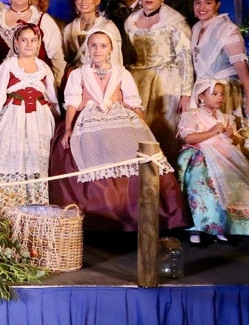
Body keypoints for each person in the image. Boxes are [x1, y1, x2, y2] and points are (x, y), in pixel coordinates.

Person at [51, 31, 187, 231]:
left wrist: (145, 130)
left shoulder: (121, 72)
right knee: (91, 151)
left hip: (119, 117)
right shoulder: (79, 73)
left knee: (134, 153)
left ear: (111, 49)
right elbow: (71, 102)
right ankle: (104, 211)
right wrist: (69, 128)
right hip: (89, 119)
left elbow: (133, 102)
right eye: (94, 45)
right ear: (88, 48)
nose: (98, 50)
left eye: (103, 46)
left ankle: (138, 212)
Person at [0, 23, 59, 216]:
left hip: (38, 118)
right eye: (24, 40)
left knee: (35, 156)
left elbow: (52, 96)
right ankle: (4, 206)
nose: (29, 44)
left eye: (33, 40)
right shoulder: (8, 66)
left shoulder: (44, 68)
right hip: (13, 117)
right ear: (16, 42)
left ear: (39, 42)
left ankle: (34, 205)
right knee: (11, 154)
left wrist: (57, 118)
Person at [124, 0, 193, 163]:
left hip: (166, 82)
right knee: (140, 128)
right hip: (138, 81)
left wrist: (186, 93)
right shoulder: (130, 22)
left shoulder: (174, 22)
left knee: (166, 128)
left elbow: (185, 58)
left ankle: (168, 177)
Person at [176, 80, 249, 244]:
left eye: (222, 94)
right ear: (202, 96)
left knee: (234, 186)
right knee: (202, 186)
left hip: (224, 156)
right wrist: (212, 131)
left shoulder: (225, 117)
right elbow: (187, 137)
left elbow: (235, 141)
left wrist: (232, 135)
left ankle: (221, 227)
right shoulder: (192, 115)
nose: (220, 97)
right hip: (201, 155)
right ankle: (197, 228)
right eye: (214, 94)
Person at [191, 0, 249, 123]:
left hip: (224, 94)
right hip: (203, 95)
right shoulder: (196, 28)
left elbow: (242, 68)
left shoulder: (227, 29)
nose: (201, 7)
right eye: (197, 3)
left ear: (217, 5)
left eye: (208, 3)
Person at [60, 0, 123, 99]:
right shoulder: (69, 28)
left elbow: (115, 60)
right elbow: (65, 56)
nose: (84, 2)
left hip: (101, 80)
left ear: (98, 1)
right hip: (75, 81)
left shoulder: (107, 26)